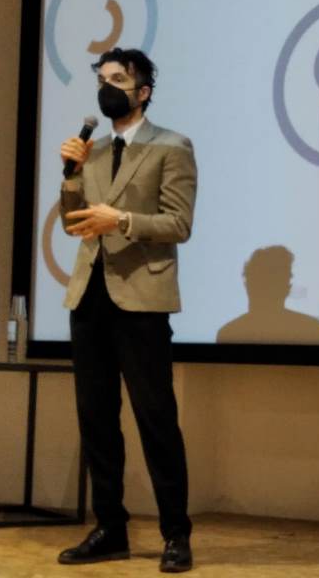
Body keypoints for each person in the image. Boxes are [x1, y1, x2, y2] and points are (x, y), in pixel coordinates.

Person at [56, 48, 197, 573]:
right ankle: (110, 529)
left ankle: (176, 534)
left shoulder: (172, 147)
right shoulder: (90, 152)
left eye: (118, 79)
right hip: (88, 297)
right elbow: (73, 224)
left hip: (141, 299)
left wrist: (122, 221)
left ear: (143, 92)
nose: (107, 87)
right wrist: (71, 175)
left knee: (156, 419)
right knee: (96, 419)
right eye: (102, 79)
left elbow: (179, 223)